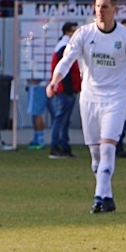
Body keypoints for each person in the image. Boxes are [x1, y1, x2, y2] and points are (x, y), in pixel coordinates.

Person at [48, 0, 126, 213]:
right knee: (96, 157)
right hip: (89, 99)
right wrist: (55, 81)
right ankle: (108, 196)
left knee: (107, 150)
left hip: (115, 99)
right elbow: (67, 60)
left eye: (104, 6)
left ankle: (98, 197)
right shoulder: (84, 34)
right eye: (97, 6)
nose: (100, 11)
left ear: (115, 9)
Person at [48, 22, 80, 159]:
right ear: (67, 32)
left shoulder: (63, 45)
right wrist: (69, 88)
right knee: (60, 119)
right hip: (64, 89)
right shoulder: (64, 47)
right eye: (73, 31)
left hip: (65, 89)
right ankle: (56, 146)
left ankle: (63, 146)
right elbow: (64, 71)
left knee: (63, 119)